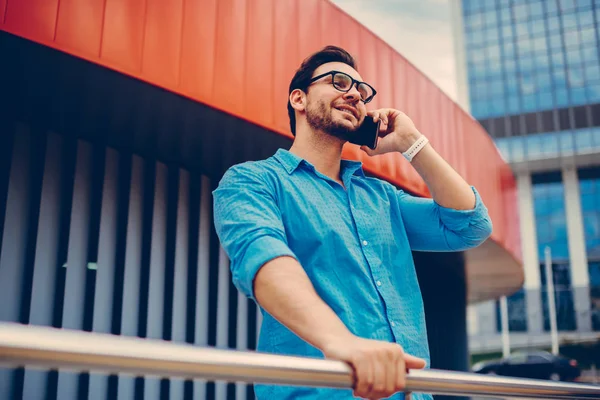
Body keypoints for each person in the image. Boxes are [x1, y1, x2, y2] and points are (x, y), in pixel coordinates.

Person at [213, 45, 493, 400]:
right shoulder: (253, 182)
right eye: (339, 82)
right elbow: (265, 263)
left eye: (362, 91)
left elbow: (470, 224)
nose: (355, 95)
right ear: (298, 99)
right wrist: (342, 343)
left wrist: (411, 142)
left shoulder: (383, 197)